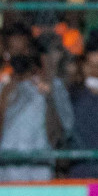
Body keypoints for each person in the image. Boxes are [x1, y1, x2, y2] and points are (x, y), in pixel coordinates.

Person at [0, 29, 72, 182]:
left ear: (32, 51)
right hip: (7, 168)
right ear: (6, 52)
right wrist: (4, 98)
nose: (19, 54)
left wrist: (49, 96)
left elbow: (66, 127)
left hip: (41, 168)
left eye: (24, 49)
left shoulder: (53, 86)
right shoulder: (2, 87)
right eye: (14, 50)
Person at [69, 36, 98, 178]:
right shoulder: (71, 97)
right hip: (77, 174)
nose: (97, 71)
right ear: (83, 66)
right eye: (92, 65)